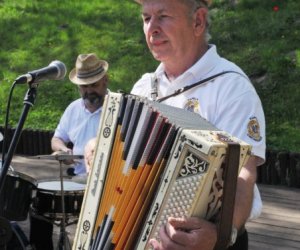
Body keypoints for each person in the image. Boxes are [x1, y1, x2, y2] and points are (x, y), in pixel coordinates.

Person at [30, 53, 109, 250]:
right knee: (41, 201)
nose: (89, 91)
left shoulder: (118, 108)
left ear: (105, 80)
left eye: (94, 85)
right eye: (84, 86)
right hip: (76, 178)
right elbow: (56, 139)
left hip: (104, 181)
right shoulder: (73, 108)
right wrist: (65, 150)